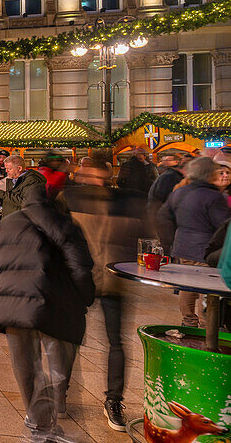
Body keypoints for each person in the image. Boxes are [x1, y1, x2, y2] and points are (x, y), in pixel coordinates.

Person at [0, 184, 95, 443]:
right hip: (52, 303)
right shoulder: (64, 223)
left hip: (11, 304)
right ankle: (45, 422)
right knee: (60, 362)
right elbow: (81, 267)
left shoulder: (9, 221)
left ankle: (39, 423)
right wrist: (86, 299)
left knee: (25, 365)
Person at [66, 159, 145, 432]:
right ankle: (61, 392)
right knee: (68, 338)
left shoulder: (126, 202)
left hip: (113, 281)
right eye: (89, 175)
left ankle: (114, 399)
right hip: (79, 279)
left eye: (99, 175)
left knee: (116, 342)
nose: (93, 180)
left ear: (108, 176)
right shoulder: (69, 198)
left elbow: (146, 237)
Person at [157, 156, 231, 327]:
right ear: (209, 174)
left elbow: (163, 216)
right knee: (207, 289)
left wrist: (171, 240)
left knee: (187, 286)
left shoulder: (179, 192)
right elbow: (223, 226)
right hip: (205, 249)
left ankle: (188, 321)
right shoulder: (213, 196)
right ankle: (208, 325)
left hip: (182, 246)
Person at [148, 150, 187, 250]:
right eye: (164, 159)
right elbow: (165, 198)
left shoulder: (169, 175)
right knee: (166, 247)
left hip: (160, 217)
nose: (165, 162)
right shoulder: (172, 177)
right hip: (164, 220)